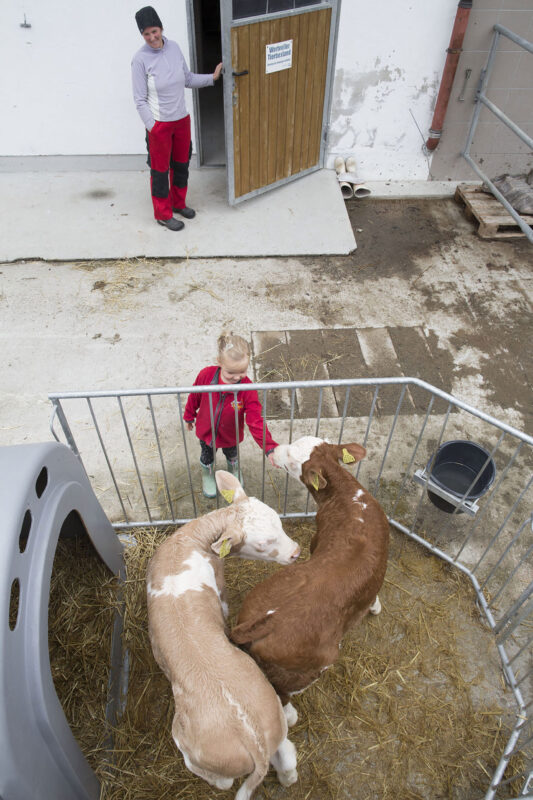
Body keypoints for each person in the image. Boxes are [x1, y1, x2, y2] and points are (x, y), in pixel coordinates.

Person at [131, 6, 223, 231]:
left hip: (182, 120)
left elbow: (188, 78)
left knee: (181, 166)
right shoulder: (139, 60)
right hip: (159, 125)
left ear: (161, 28)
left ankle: (178, 203)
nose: (152, 37)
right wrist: (152, 127)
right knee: (160, 171)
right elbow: (139, 100)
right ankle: (163, 214)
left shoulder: (174, 48)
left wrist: (212, 77)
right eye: (146, 34)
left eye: (155, 31)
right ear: (142, 35)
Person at [183, 333, 278, 498]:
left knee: (232, 455)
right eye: (231, 373)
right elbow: (195, 395)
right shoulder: (206, 375)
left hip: (230, 435)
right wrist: (189, 415)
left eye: (242, 371)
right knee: (207, 457)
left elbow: (255, 420)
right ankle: (208, 474)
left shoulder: (247, 389)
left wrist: (269, 447)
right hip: (206, 432)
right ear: (219, 363)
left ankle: (233, 469)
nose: (237, 377)